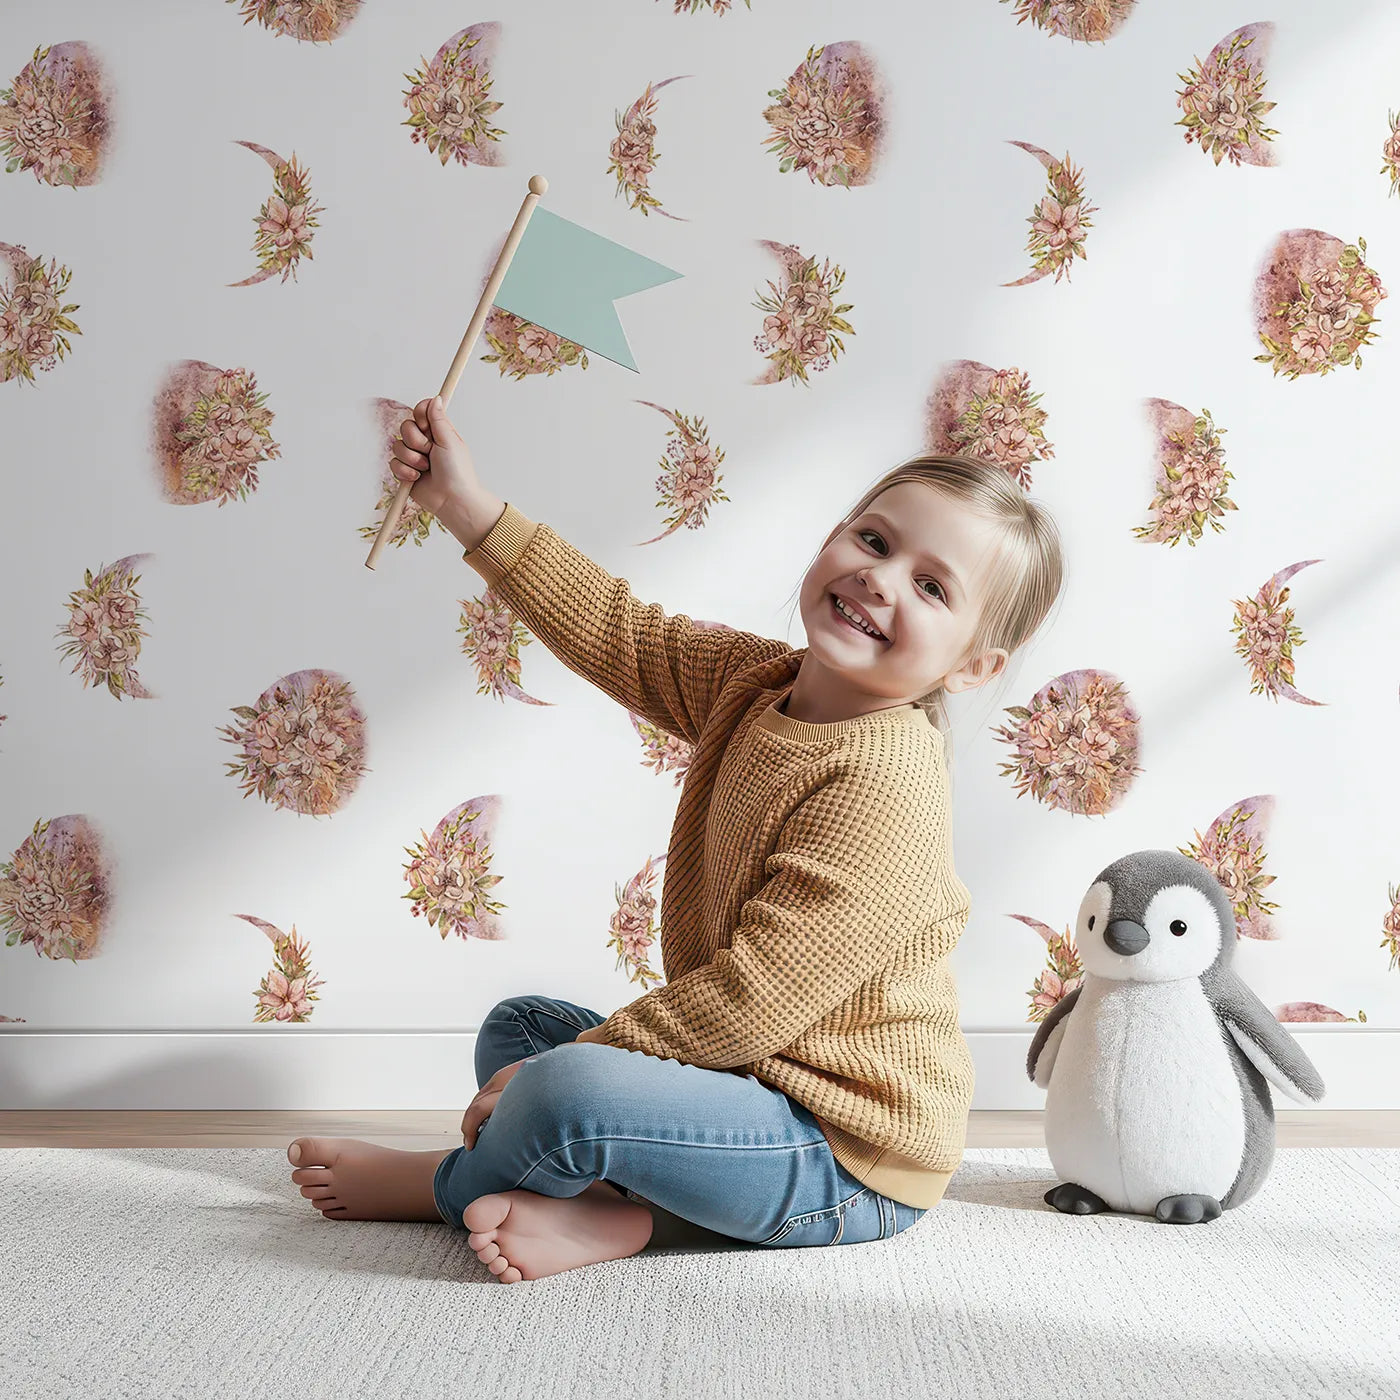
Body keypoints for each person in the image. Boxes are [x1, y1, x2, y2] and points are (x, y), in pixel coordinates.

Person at [287, 396, 1065, 1283]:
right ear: (834, 537)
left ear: (972, 666)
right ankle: (622, 1213)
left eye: (933, 587)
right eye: (876, 543)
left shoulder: (885, 784)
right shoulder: (754, 682)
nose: (882, 580)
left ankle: (442, 1187)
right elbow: (617, 629)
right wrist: (465, 506)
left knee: (560, 1086)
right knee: (525, 1030)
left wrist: (584, 1066)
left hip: (841, 1154)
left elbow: (751, 1000)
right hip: (748, 1083)